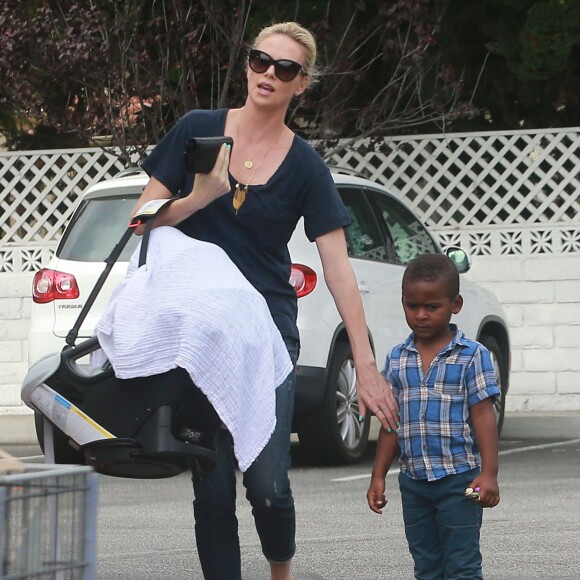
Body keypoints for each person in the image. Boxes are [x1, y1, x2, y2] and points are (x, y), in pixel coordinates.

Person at [132, 21, 398, 580]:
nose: (268, 75)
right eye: (260, 61)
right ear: (247, 64)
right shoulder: (196, 130)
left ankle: (282, 570)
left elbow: (338, 268)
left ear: (303, 84)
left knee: (269, 484)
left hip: (267, 335)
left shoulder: (305, 166)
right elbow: (141, 221)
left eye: (286, 69)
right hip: (202, 334)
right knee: (212, 487)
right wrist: (200, 195)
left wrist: (367, 366)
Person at [367, 253, 501, 580]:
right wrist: (378, 475)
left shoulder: (473, 356)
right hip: (414, 485)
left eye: (432, 307)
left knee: (462, 564)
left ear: (455, 304)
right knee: (426, 565)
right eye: (412, 306)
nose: (421, 315)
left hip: (461, 482)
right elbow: (390, 423)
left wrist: (489, 474)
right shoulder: (398, 358)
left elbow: (484, 416)